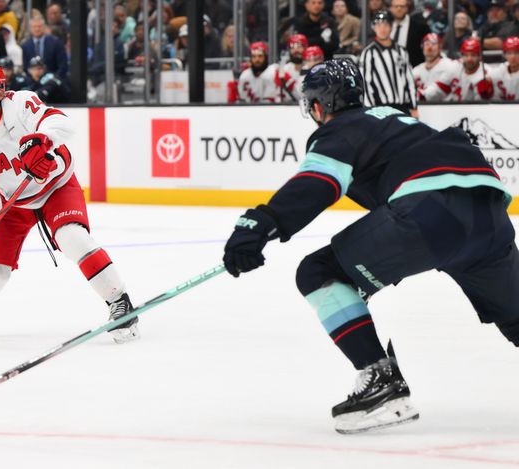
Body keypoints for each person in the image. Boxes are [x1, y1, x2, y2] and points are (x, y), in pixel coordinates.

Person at [222, 58, 518, 434]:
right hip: (490, 216)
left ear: (318, 106)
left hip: (431, 212)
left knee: (320, 272)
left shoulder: (340, 129)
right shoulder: (395, 118)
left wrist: (260, 224)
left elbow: (317, 183)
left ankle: (380, 382)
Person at [0, 59, 139, 344]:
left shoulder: (21, 104)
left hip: (56, 185)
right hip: (13, 202)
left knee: (72, 237)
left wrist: (40, 140)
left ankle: (120, 302)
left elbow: (61, 123)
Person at [359, 10, 418, 117]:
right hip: (380, 109)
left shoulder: (401, 51)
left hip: (402, 107)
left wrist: (414, 106)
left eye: (386, 24)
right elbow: (366, 83)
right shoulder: (369, 53)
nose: (382, 28)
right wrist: (370, 110)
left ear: (391, 26)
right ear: (374, 27)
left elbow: (409, 80)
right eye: (378, 25)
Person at [413, 33, 458, 102]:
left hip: (446, 108)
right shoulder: (415, 71)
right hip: (421, 109)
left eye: (433, 44)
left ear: (440, 47)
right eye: (427, 44)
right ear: (422, 47)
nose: (430, 47)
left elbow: (434, 94)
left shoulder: (450, 65)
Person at [488, 36, 519, 102]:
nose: (513, 57)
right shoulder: (502, 68)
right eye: (509, 53)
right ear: (504, 55)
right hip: (502, 109)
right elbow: (488, 78)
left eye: (517, 53)